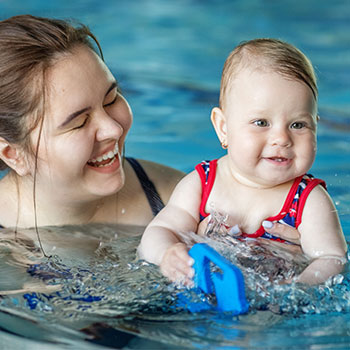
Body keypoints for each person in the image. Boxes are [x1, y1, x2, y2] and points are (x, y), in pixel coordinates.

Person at [138, 38, 347, 285]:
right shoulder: (201, 184)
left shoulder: (309, 201)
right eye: (261, 122)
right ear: (223, 128)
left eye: (298, 124)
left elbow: (332, 259)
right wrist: (167, 254)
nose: (281, 138)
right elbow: (158, 233)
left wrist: (300, 285)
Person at [0, 14, 185, 233]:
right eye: (79, 123)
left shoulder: (177, 199)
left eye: (111, 99)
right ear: (13, 154)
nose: (114, 129)